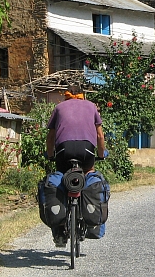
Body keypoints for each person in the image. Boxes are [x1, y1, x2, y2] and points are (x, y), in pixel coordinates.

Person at [46, 85, 106, 247]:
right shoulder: (91, 106)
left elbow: (50, 137)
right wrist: (101, 154)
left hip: (64, 151)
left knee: (60, 176)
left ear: (66, 96)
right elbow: (100, 135)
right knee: (89, 173)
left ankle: (59, 231)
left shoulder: (59, 107)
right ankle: (90, 218)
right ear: (82, 94)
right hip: (86, 151)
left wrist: (50, 155)